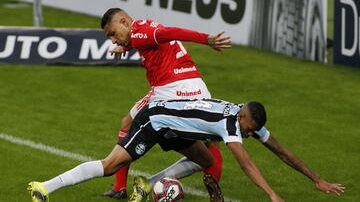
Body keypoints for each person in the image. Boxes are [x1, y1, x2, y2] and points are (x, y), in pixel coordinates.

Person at [27, 98, 345, 202]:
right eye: (249, 130)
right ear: (244, 117)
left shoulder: (244, 119)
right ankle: (44, 187)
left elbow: (281, 151)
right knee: (111, 165)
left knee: (205, 159)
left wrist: (316, 179)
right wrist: (272, 195)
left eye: (251, 132)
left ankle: (148, 185)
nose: (249, 135)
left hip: (177, 129)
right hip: (155, 121)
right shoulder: (232, 124)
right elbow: (247, 164)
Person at [100, 8, 230, 200]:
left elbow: (173, 32)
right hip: (182, 83)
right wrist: (124, 47)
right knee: (208, 141)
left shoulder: (142, 32)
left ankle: (124, 187)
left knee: (206, 144)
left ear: (124, 22)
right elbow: (146, 40)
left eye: (112, 33)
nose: (112, 39)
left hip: (172, 88)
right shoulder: (141, 29)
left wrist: (207, 39)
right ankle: (213, 189)